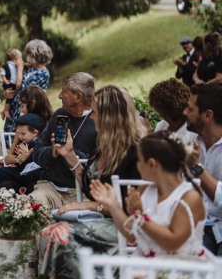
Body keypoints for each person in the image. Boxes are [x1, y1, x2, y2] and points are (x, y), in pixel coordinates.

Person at [38, 85, 144, 279]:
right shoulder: (103, 146)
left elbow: (129, 208)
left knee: (62, 237)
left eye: (94, 112)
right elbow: (90, 187)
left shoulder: (136, 153)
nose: (91, 117)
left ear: (108, 116)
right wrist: (69, 154)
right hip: (104, 220)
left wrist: (87, 205)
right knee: (49, 232)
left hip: (124, 226)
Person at [90, 132, 206, 259]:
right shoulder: (145, 189)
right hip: (143, 266)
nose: (137, 166)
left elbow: (172, 243)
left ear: (152, 164)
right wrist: (113, 205)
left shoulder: (189, 197)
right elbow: (131, 235)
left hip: (179, 272)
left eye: (139, 161)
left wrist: (141, 218)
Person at [29, 72, 97, 209]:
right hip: (52, 189)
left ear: (78, 97)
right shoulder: (61, 115)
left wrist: (70, 152)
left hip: (84, 194)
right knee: (31, 205)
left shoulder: (97, 122)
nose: (59, 95)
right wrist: (52, 152)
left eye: (64, 91)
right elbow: (36, 149)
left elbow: (97, 168)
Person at [183, 83, 222, 255]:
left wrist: (197, 167)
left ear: (207, 116)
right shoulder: (190, 137)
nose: (184, 112)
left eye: (190, 109)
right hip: (191, 222)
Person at [3, 39, 53, 133]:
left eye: (29, 54)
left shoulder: (43, 73)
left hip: (26, 112)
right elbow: (14, 85)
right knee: (8, 140)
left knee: (20, 141)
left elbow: (23, 89)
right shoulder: (29, 69)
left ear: (36, 55)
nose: (27, 57)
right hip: (14, 110)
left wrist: (20, 67)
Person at [0, 113, 45, 194]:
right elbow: (7, 160)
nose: (20, 136)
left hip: (35, 175)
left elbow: (39, 163)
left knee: (36, 177)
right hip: (22, 173)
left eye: (23, 134)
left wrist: (28, 154)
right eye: (18, 133)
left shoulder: (40, 143)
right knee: (1, 171)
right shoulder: (23, 143)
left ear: (35, 133)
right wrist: (19, 158)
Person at [148, 78, 196, 144]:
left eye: (157, 108)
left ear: (164, 111)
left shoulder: (190, 133)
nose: (158, 112)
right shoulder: (162, 125)